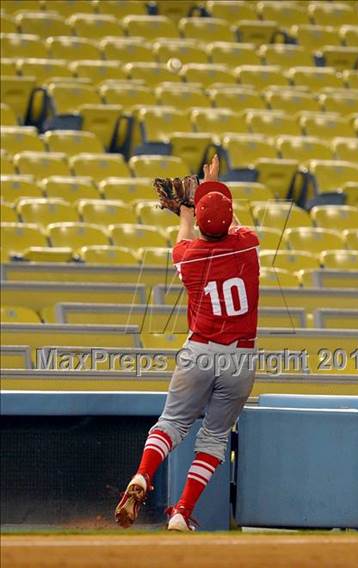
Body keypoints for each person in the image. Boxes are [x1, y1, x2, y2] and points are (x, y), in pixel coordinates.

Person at [115, 155, 260, 531]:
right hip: (240, 359)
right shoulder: (248, 245)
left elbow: (187, 237)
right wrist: (211, 188)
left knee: (172, 423)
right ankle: (181, 512)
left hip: (199, 352)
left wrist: (186, 212)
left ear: (198, 222)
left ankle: (143, 476)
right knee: (213, 438)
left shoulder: (189, 257)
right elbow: (232, 222)